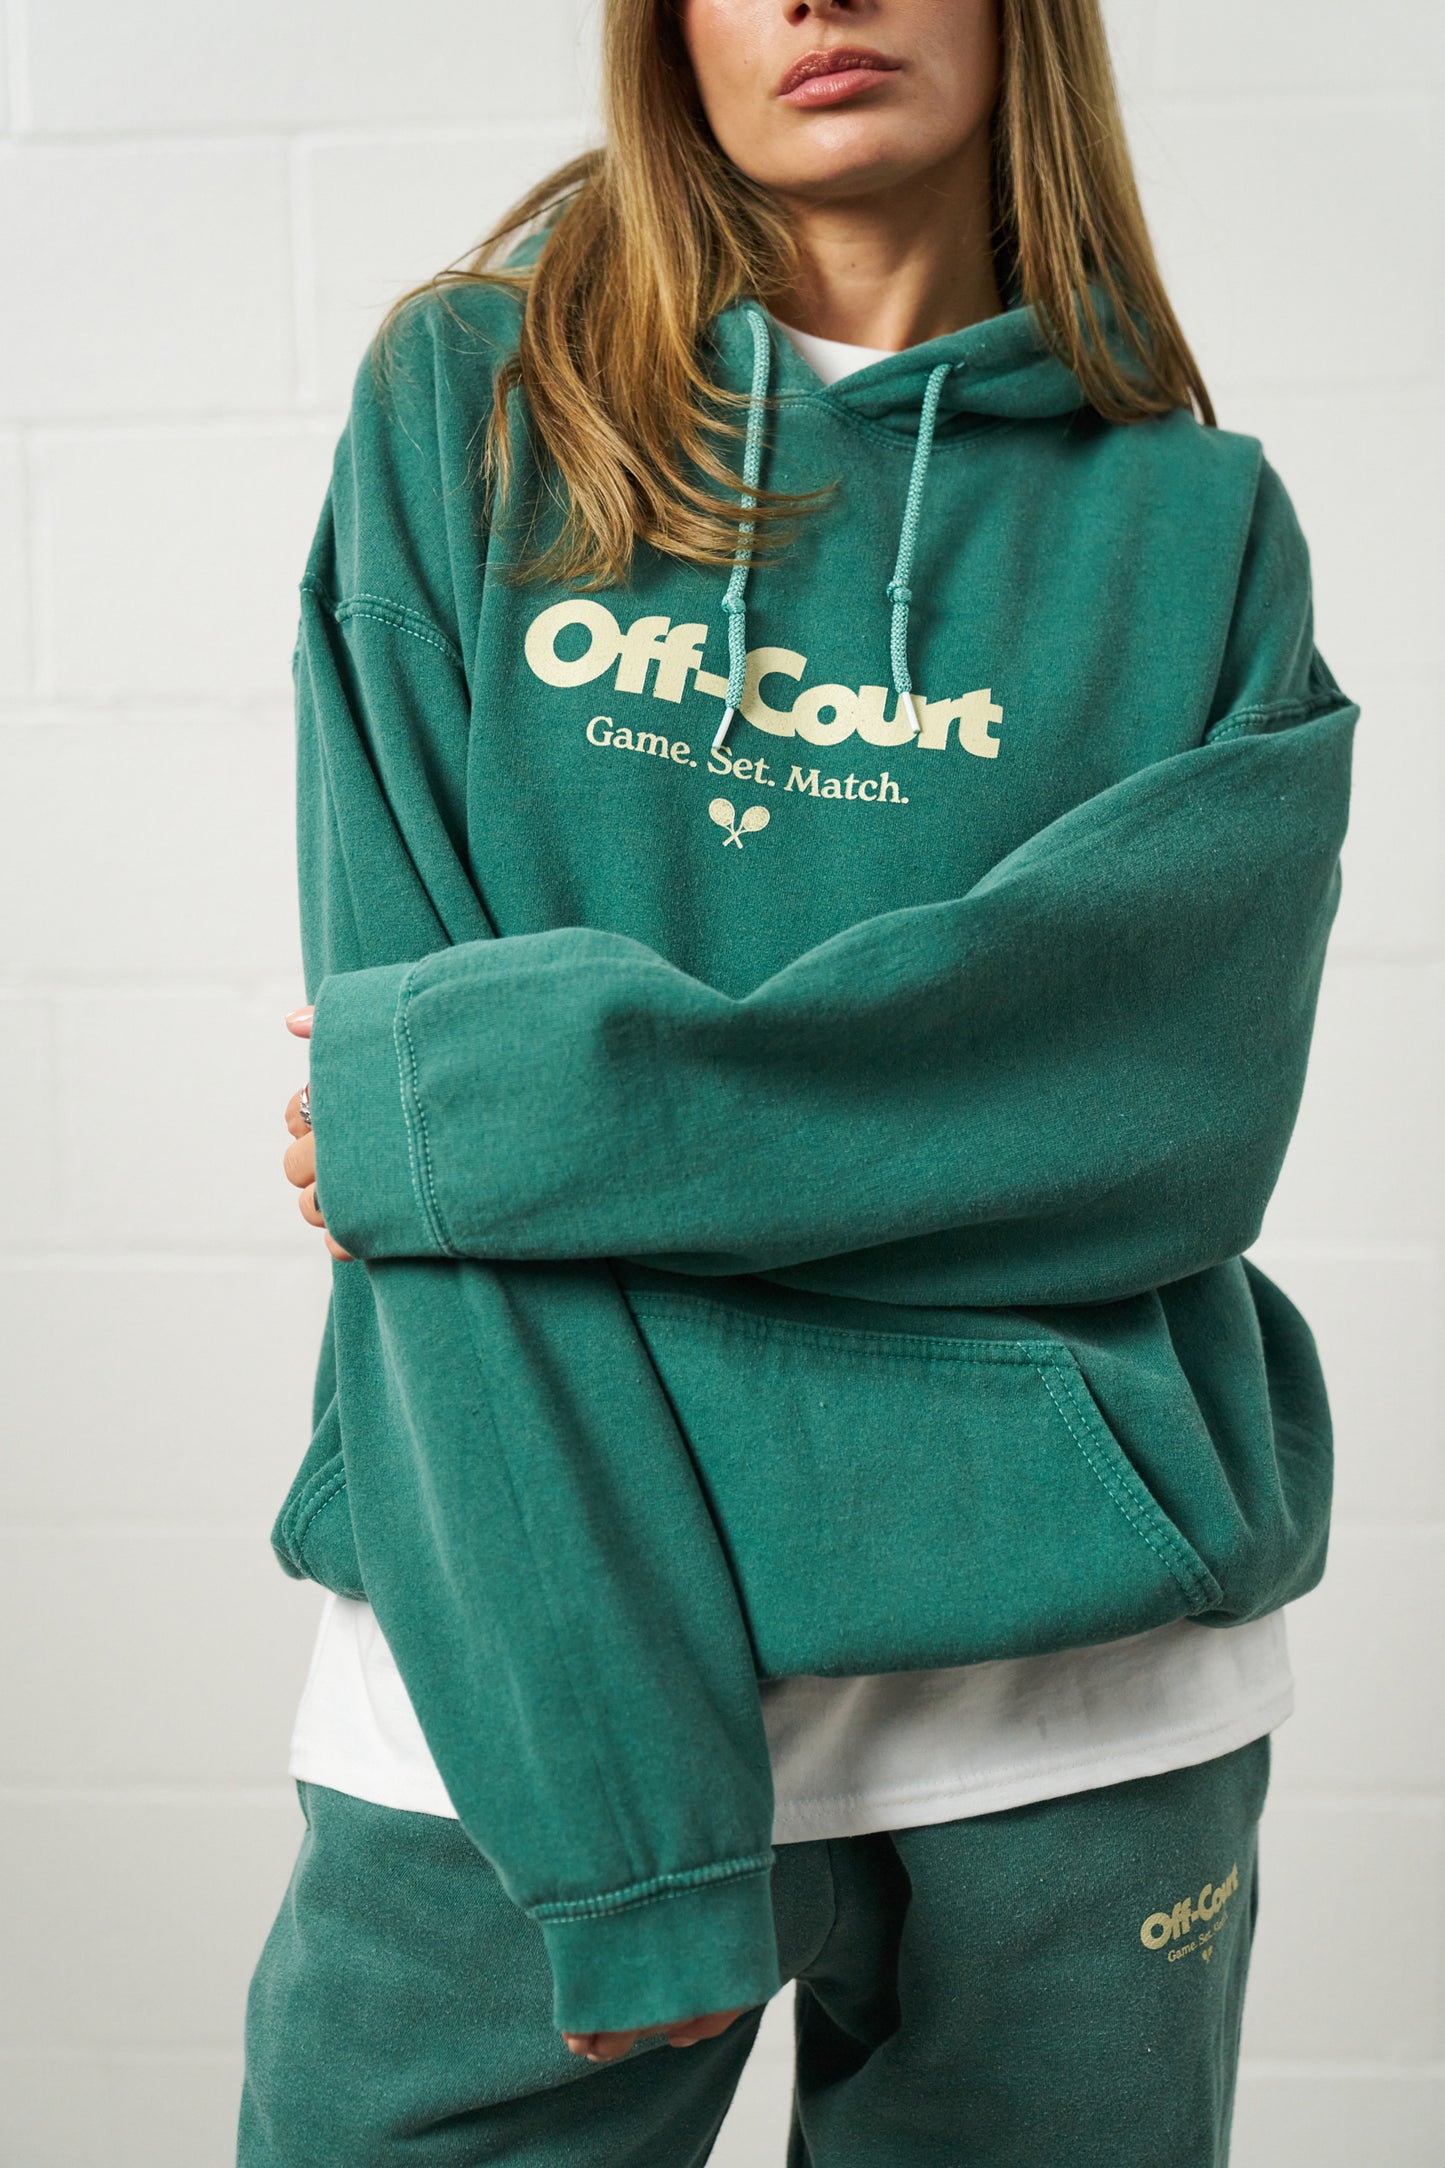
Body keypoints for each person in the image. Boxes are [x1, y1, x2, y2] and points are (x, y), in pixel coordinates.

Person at [237, 0, 1356, 2160]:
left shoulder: (1196, 523)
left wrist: (503, 1106)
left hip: (1074, 1709)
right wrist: (626, 1825)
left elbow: (1163, 1116)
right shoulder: (476, 412)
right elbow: (445, 1237)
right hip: (517, 1694)